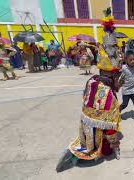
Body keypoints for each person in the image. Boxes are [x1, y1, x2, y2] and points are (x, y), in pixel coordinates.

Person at [56, 8, 123, 172]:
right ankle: (97, 151)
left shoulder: (91, 81)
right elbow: (111, 127)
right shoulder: (108, 94)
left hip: (85, 128)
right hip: (98, 135)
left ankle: (85, 145)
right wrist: (115, 146)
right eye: (118, 77)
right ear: (114, 76)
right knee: (107, 142)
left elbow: (84, 100)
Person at [119, 49, 134, 121]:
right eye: (131, 60)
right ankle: (117, 111)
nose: (133, 61)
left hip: (133, 90)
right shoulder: (124, 68)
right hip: (126, 90)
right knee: (125, 104)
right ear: (126, 60)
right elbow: (117, 71)